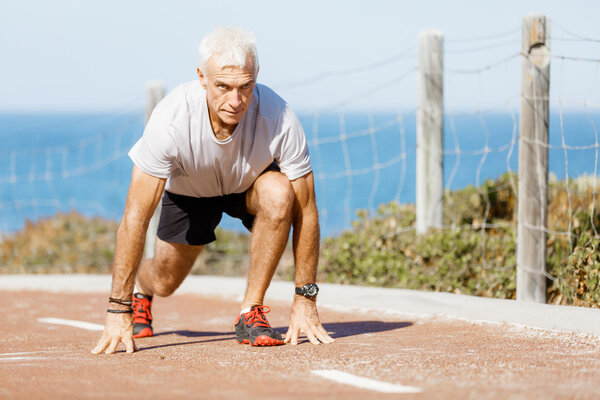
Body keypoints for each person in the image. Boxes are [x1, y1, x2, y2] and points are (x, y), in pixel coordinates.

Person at [91, 27, 334, 354]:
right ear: (202, 77)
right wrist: (118, 308)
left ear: (256, 76)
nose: (235, 101)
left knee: (280, 193)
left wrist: (306, 299)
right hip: (190, 192)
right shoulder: (171, 121)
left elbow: (307, 210)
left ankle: (251, 312)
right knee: (164, 281)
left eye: (245, 87)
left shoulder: (279, 116)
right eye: (223, 86)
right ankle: (140, 293)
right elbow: (135, 216)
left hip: (248, 186)